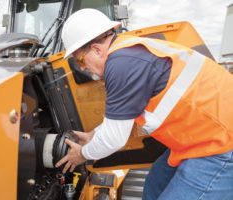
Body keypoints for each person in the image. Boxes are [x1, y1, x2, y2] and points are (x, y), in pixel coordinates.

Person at [55, 8, 233, 200]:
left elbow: (114, 138)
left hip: (221, 143)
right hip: (200, 136)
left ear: (97, 49)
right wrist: (92, 136)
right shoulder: (126, 52)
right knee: (155, 183)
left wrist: (82, 154)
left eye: (80, 60)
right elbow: (122, 119)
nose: (82, 68)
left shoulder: (121, 64)